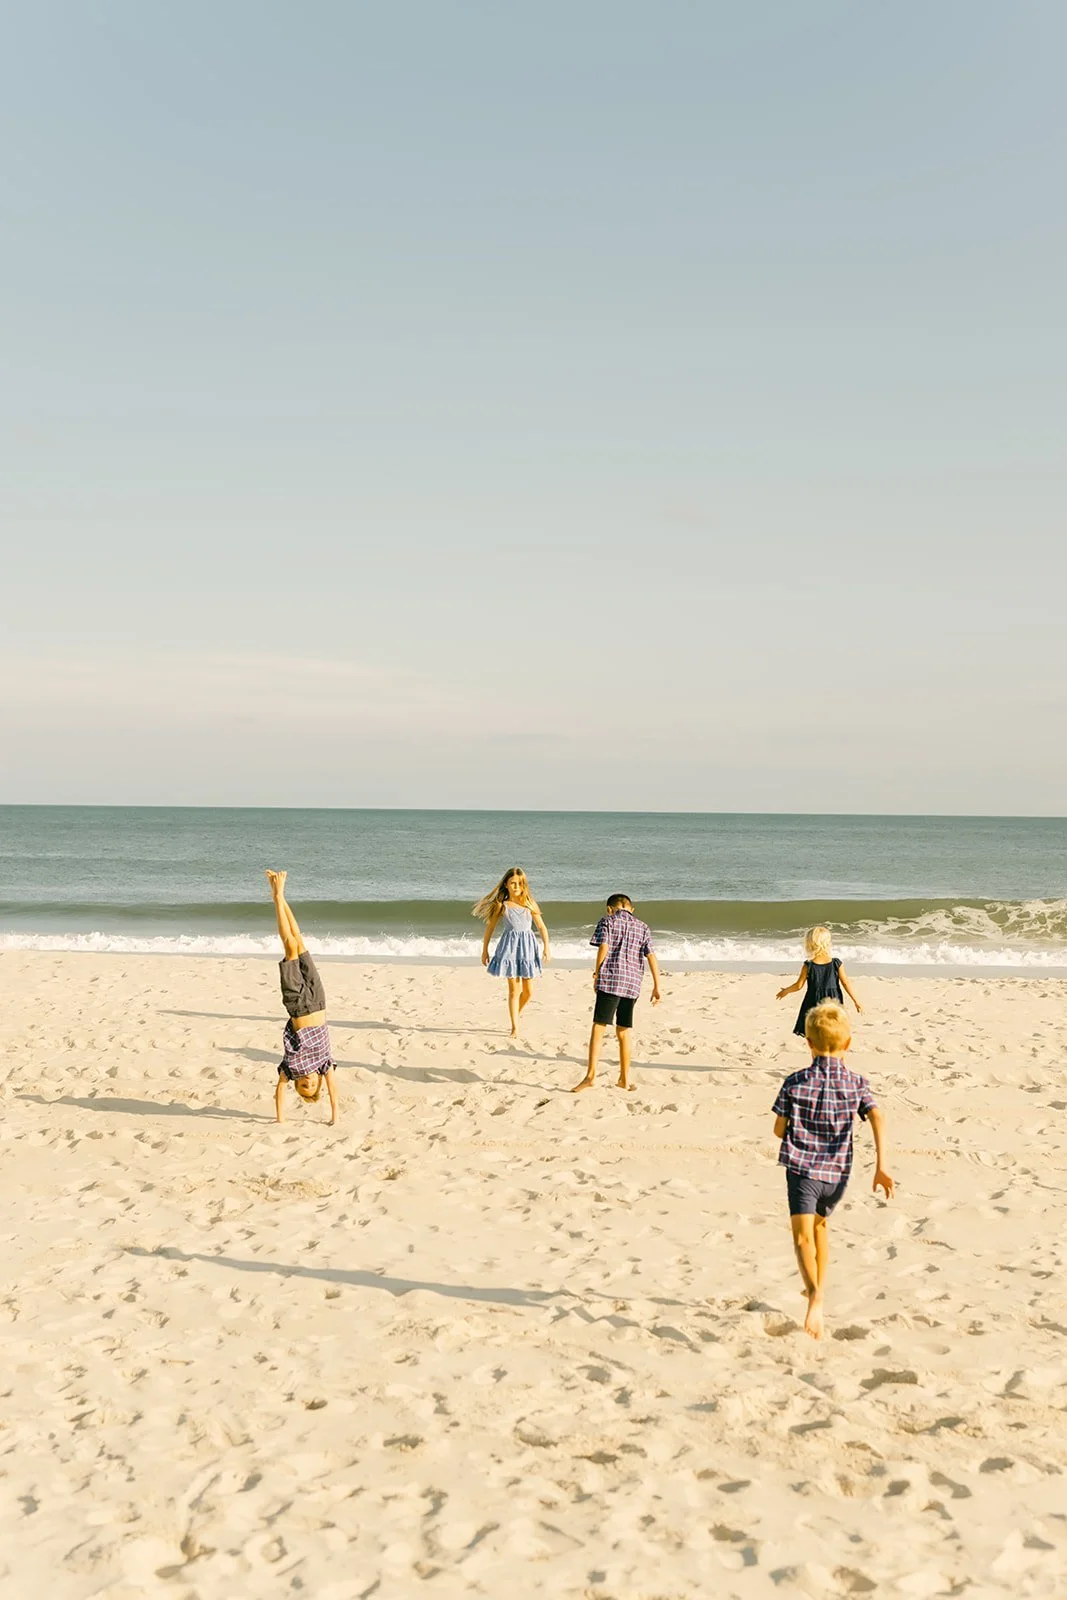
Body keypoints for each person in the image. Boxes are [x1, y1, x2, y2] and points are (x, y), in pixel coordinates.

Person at [771, 1000, 893, 1339]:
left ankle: (814, 1295)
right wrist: (881, 1166)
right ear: (849, 1044)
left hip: (802, 1172)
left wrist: (794, 1127)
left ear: (808, 1042)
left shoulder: (795, 1082)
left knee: (801, 1237)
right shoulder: (857, 1083)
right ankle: (818, 1284)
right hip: (838, 1175)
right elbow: (878, 1116)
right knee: (821, 1229)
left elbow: (779, 1130)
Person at [266, 870, 338, 1126]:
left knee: (289, 947)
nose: (308, 1080)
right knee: (299, 941)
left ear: (297, 1082)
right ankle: (281, 896)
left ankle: (278, 896)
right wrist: (334, 1118)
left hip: (297, 1005)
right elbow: (334, 1095)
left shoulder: (289, 1068)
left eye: (303, 1085)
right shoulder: (324, 1065)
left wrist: (280, 1120)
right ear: (318, 1081)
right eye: (312, 1084)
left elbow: (279, 1093)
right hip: (318, 1001)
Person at [572, 894, 661, 1093]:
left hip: (611, 979)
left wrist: (597, 973)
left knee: (599, 1026)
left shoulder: (608, 921)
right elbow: (651, 956)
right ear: (632, 909)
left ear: (609, 909)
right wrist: (657, 985)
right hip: (632, 983)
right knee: (624, 1031)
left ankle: (591, 1076)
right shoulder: (643, 926)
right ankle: (624, 1079)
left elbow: (604, 946)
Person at [473, 868, 552, 1038]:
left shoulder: (530, 903)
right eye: (512, 883)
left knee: (528, 992)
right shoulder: (502, 905)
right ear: (506, 885)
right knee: (514, 991)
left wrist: (547, 947)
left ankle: (516, 1013)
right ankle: (515, 1027)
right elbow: (490, 928)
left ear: (524, 885)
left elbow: (541, 927)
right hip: (509, 949)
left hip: (527, 950)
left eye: (519, 883)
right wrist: (484, 950)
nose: (516, 886)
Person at [776, 924, 863, 1039]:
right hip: (833, 1000)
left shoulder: (808, 965)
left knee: (816, 1030)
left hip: (814, 1000)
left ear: (809, 944)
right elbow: (845, 983)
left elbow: (798, 985)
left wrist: (786, 991)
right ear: (827, 943)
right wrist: (856, 1001)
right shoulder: (836, 963)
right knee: (832, 1027)